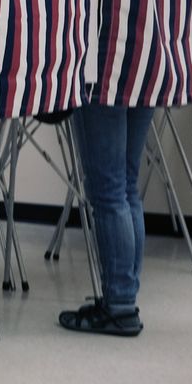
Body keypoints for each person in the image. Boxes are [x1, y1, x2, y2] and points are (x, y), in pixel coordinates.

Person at [60, 104, 153, 336]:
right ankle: (126, 297)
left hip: (103, 78)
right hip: (146, 73)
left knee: (109, 191)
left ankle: (120, 303)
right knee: (127, 185)